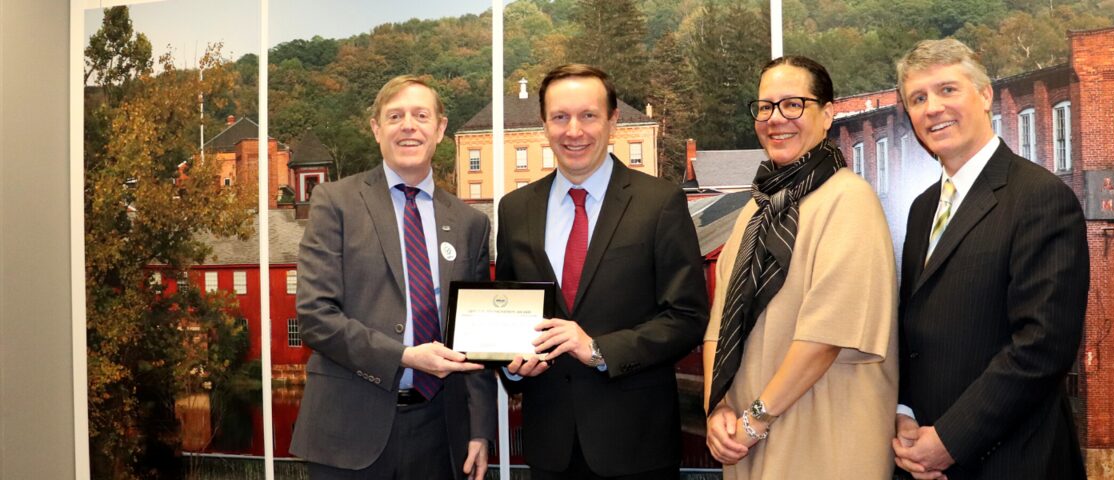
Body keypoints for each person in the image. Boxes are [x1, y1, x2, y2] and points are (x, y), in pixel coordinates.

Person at [496, 63, 708, 480]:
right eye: (560, 117)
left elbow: (686, 318)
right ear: (544, 124)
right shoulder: (515, 210)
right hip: (549, 447)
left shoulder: (659, 203)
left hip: (637, 448)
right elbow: (508, 312)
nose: (574, 131)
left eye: (588, 115)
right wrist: (509, 363)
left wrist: (598, 349)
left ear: (613, 120)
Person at [891, 39, 1089, 480]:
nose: (933, 108)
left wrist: (949, 440)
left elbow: (1042, 346)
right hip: (924, 456)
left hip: (1014, 461)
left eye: (947, 90)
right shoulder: (923, 209)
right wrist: (904, 412)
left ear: (984, 95)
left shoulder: (1040, 197)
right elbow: (913, 330)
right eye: (918, 99)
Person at [290, 75, 496, 480]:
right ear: (376, 128)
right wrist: (403, 356)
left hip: (441, 434)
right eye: (395, 116)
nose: (408, 126)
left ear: (440, 128)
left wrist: (479, 430)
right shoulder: (335, 203)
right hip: (348, 430)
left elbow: (475, 337)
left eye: (421, 116)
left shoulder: (470, 223)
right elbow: (315, 316)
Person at [702, 55, 899, 479]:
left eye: (793, 104)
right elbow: (718, 326)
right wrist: (717, 407)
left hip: (823, 440)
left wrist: (754, 420)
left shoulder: (850, 200)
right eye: (765, 107)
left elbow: (826, 338)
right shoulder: (754, 213)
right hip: (749, 441)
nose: (776, 119)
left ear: (827, 115)